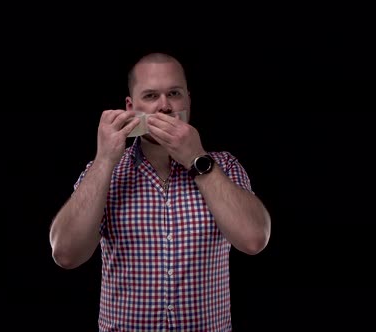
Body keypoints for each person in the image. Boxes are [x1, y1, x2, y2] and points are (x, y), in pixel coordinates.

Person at [49, 52, 271, 331]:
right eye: (151, 96)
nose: (164, 106)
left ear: (188, 100)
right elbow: (66, 254)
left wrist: (196, 159)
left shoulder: (223, 166)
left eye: (174, 94)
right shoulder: (104, 171)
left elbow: (254, 240)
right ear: (131, 106)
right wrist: (105, 159)